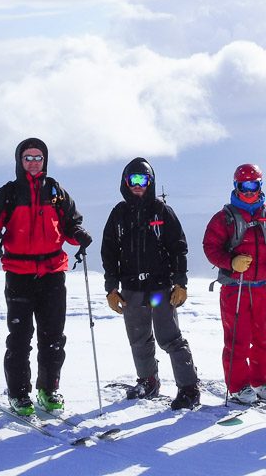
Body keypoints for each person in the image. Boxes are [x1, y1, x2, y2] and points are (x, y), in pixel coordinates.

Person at [0, 137, 93, 416]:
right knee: (20, 336)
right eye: (27, 157)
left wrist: (77, 235)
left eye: (37, 158)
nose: (32, 162)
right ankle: (19, 394)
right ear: (19, 160)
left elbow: (70, 223)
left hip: (53, 273)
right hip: (19, 273)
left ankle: (48, 389)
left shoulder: (56, 191)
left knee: (53, 336)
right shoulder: (8, 193)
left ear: (45, 160)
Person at [101, 157, 200, 410]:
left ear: (150, 182)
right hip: (131, 290)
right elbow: (109, 252)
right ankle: (148, 380)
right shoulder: (118, 214)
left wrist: (180, 283)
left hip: (160, 289)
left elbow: (179, 248)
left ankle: (188, 388)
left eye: (142, 180)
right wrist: (111, 288)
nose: (137, 185)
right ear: (125, 183)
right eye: (132, 180)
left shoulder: (162, 212)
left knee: (170, 338)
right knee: (139, 338)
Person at [202, 164, 266, 404]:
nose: (249, 191)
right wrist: (231, 262)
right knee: (237, 339)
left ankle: (262, 382)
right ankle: (239, 386)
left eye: (254, 185)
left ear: (260, 185)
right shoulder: (224, 218)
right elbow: (210, 248)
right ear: (236, 187)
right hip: (234, 288)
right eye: (244, 186)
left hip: (262, 287)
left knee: (265, 338)